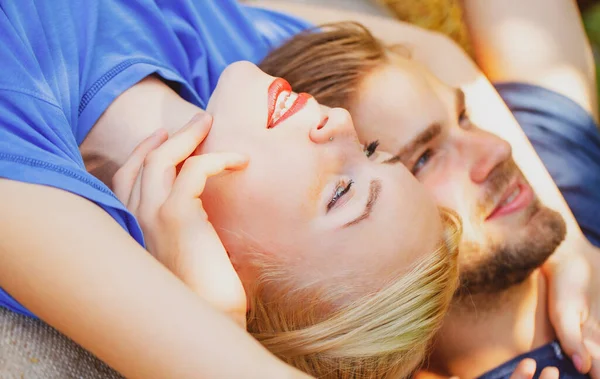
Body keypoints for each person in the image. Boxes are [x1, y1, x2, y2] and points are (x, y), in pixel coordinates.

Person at [0, 1, 461, 378]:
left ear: (232, 273)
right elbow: (439, 53)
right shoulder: (245, 54)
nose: (338, 120)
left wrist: (214, 318)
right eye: (371, 147)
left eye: (340, 192)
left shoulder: (39, 200)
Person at [258, 0, 600, 377]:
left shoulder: (563, 189)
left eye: (465, 117)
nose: (498, 148)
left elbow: (454, 45)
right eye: (424, 158)